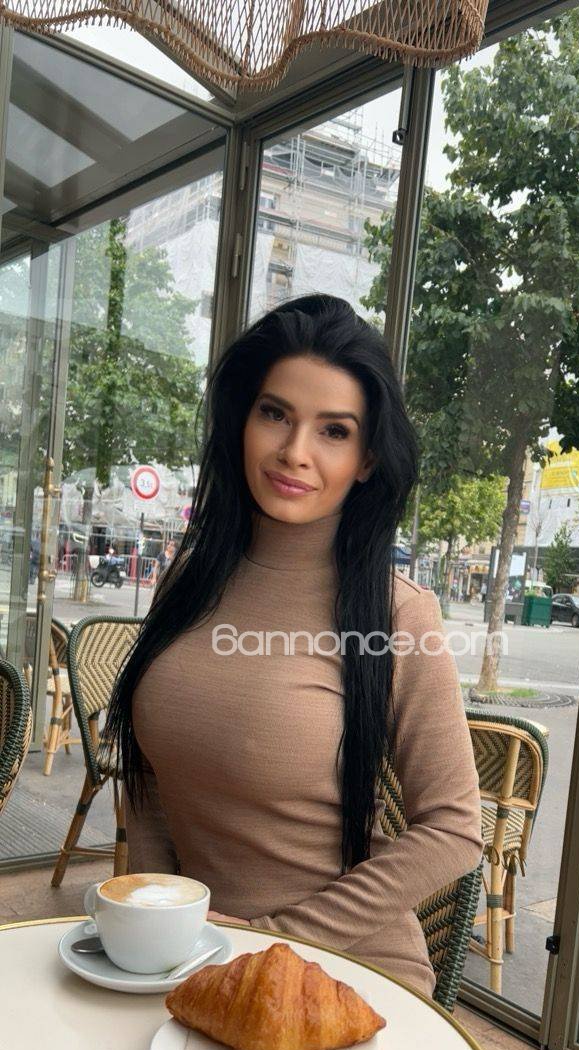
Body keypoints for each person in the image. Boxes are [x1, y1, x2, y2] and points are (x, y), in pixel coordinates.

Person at [105, 294, 484, 1000]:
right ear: (242, 421)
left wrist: (273, 938)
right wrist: (149, 929)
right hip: (197, 961)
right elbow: (150, 781)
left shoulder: (397, 613)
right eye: (275, 414)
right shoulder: (187, 583)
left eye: (334, 431)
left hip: (344, 974)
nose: (295, 452)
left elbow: (456, 830)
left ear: (367, 459)